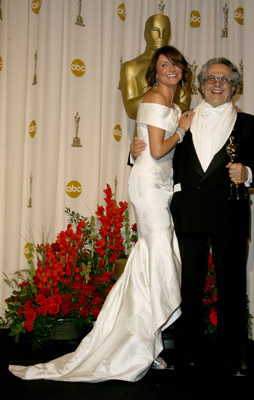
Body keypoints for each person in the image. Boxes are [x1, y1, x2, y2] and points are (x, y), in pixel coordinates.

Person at [8, 45, 194, 382]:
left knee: (148, 262)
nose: (171, 69)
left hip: (163, 185)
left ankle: (143, 342)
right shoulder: (153, 98)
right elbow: (156, 149)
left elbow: (159, 150)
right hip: (149, 186)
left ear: (183, 70)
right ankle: (141, 343)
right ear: (155, 72)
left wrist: (175, 131)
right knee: (159, 256)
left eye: (176, 64)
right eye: (164, 64)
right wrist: (180, 130)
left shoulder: (178, 105)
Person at [132, 57, 254, 376]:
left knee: (232, 286)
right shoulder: (184, 118)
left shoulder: (249, 123)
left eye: (224, 80)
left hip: (229, 212)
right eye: (211, 79)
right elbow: (158, 151)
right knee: (188, 287)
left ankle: (232, 355)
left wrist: (246, 172)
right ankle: (187, 352)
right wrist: (134, 150)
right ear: (201, 85)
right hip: (189, 211)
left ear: (234, 86)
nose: (218, 84)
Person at [120, 14, 191, 136]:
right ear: (146, 33)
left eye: (165, 31)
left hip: (174, 138)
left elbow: (185, 108)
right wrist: (161, 92)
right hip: (144, 141)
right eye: (155, 30)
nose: (161, 36)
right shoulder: (131, 67)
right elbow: (131, 110)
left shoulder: (178, 69)